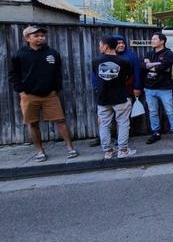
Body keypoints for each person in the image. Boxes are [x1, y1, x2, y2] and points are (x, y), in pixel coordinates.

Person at [8, 26, 79, 162]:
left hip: (50, 95)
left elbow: (58, 73)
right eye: (36, 35)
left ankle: (70, 148)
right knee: (32, 123)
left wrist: (55, 90)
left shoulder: (52, 53)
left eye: (42, 35)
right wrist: (21, 92)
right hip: (28, 96)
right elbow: (13, 75)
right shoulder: (19, 55)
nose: (41, 37)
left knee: (60, 120)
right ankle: (40, 151)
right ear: (27, 38)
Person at [89, 34, 144, 147]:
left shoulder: (128, 57)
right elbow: (126, 76)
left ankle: (108, 150)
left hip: (113, 95)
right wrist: (96, 87)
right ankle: (122, 149)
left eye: (123, 42)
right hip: (117, 95)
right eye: (119, 43)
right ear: (114, 45)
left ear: (106, 46)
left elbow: (135, 74)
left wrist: (137, 87)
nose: (121, 45)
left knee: (110, 123)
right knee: (121, 122)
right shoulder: (122, 62)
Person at [143, 32, 173, 144]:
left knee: (170, 111)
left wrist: (150, 65)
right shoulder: (149, 53)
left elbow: (165, 66)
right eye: (152, 39)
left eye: (154, 39)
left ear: (162, 41)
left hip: (164, 88)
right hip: (149, 89)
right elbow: (143, 66)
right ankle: (156, 133)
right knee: (153, 112)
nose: (152, 41)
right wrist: (157, 65)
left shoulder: (168, 53)